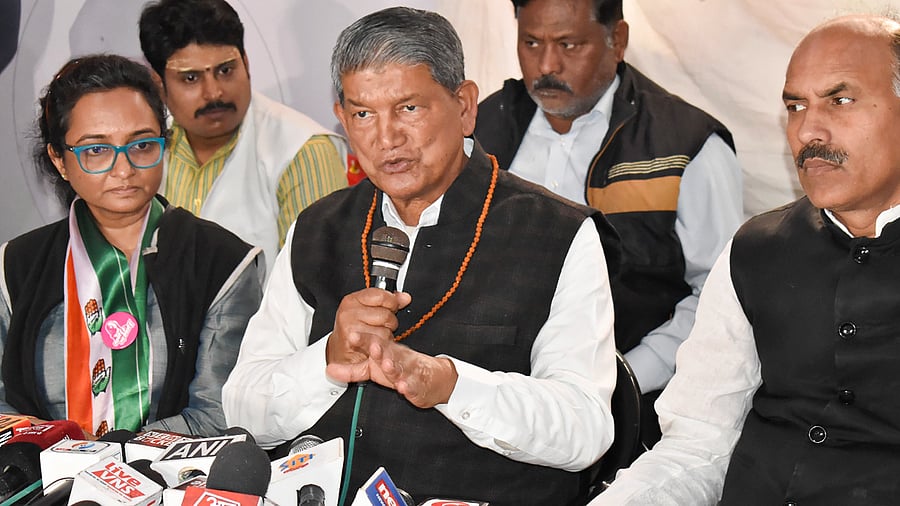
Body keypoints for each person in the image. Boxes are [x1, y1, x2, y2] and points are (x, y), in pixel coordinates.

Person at [222, 7, 620, 505]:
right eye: (363, 114)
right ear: (342, 119)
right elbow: (242, 407)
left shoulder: (558, 233)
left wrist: (452, 386)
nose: (386, 139)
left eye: (409, 108)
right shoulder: (317, 229)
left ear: (465, 105)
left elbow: (584, 429)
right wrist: (326, 360)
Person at [592, 14, 900, 505]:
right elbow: (699, 443)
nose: (807, 130)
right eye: (795, 106)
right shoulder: (756, 249)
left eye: (840, 100)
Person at [475, 0, 744, 444]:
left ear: (617, 40)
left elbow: (720, 295)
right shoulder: (483, 129)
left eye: (568, 44)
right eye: (531, 43)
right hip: (498, 398)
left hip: (639, 411)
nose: (546, 65)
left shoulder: (687, 146)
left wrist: (630, 377)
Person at [0, 54, 262, 438]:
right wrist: (49, 449)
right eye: (96, 150)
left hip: (173, 483)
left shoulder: (222, 262)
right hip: (40, 483)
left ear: (164, 142)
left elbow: (217, 414)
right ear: (59, 159)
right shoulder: (14, 267)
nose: (123, 169)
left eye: (141, 145)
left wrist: (107, 459)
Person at [138, 0, 348, 275]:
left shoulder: (302, 149)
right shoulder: (140, 148)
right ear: (158, 84)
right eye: (190, 78)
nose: (214, 93)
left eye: (225, 70)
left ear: (246, 64)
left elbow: (316, 284)